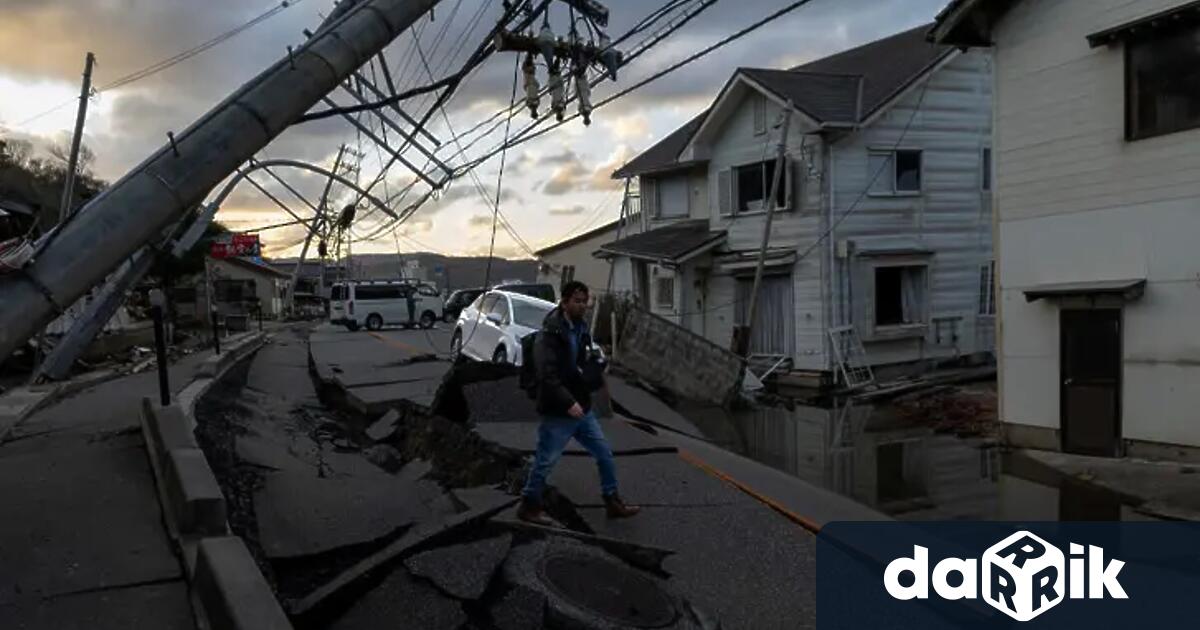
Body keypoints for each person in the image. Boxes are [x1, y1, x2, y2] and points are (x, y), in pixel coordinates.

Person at [518, 280, 640, 525]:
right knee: (546, 461)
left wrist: (595, 368)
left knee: (604, 453)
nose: (583, 306)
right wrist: (567, 403)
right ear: (564, 302)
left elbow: (581, 361)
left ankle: (612, 500)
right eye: (577, 301)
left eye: (585, 301)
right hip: (559, 410)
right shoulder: (549, 334)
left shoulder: (581, 328)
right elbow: (546, 375)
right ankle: (529, 506)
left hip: (582, 407)